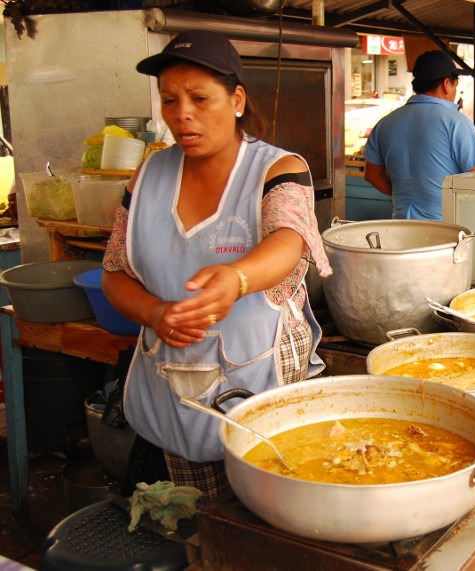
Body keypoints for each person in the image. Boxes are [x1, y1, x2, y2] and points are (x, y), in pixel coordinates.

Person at [101, 30, 332, 502]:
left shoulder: (277, 168)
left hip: (261, 374)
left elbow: (290, 240)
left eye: (200, 98)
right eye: (169, 100)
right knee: (196, 517)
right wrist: (153, 313)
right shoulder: (147, 175)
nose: (182, 113)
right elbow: (114, 271)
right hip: (171, 375)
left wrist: (237, 277)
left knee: (274, 502)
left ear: (237, 99)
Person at [362, 50, 475, 220]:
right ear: (446, 84)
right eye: (455, 86)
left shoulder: (386, 122)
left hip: (400, 228)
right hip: (445, 231)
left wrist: (407, 194)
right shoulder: (456, 122)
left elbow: (372, 174)